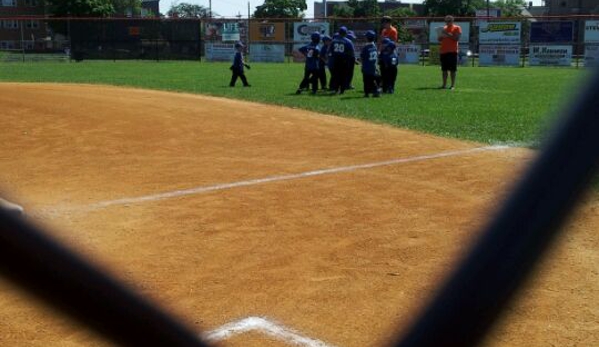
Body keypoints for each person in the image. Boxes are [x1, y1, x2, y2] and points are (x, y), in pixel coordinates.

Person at [437, 15, 462, 90]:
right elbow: (439, 39)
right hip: (443, 51)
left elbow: (456, 38)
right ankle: (444, 85)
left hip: (452, 51)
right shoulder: (443, 28)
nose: (447, 22)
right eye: (446, 21)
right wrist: (440, 36)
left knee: (452, 70)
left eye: (449, 21)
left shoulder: (457, 28)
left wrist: (447, 33)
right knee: (444, 69)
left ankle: (452, 85)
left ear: (452, 21)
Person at [329, 26, 355, 95]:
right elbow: (352, 52)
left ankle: (335, 89)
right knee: (344, 75)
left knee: (336, 75)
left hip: (336, 60)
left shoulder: (333, 41)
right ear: (346, 33)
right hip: (344, 60)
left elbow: (330, 51)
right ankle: (342, 89)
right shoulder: (348, 41)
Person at [360, 31, 381, 98]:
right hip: (373, 66)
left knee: (366, 81)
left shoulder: (366, 47)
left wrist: (362, 64)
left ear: (367, 38)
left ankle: (367, 93)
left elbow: (362, 57)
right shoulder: (374, 46)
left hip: (367, 67)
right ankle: (375, 90)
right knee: (371, 80)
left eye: (365, 37)